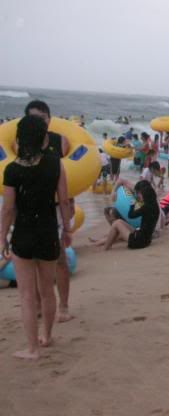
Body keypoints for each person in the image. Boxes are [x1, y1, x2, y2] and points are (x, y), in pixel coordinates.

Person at [1, 116, 72, 359]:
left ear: (20, 139)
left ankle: (32, 348)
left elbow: (8, 209)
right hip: (49, 232)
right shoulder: (55, 163)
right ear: (43, 137)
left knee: (27, 295)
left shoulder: (12, 170)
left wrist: (2, 238)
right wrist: (68, 229)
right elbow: (63, 200)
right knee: (46, 291)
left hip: (23, 235)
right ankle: (47, 336)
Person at [24, 100, 74, 323]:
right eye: (33, 117)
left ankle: (63, 306)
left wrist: (68, 210)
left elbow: (70, 174)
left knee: (60, 258)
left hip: (54, 206)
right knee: (32, 259)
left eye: (42, 118)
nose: (38, 122)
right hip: (27, 208)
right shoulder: (20, 143)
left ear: (49, 119)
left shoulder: (59, 141)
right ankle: (37, 304)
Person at [90, 180, 159, 251]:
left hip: (138, 242)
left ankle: (105, 248)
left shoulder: (145, 207)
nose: (138, 195)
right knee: (119, 224)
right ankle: (100, 242)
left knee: (116, 223)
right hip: (146, 240)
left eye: (139, 194)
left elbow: (131, 215)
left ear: (144, 194)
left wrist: (132, 205)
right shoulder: (155, 207)